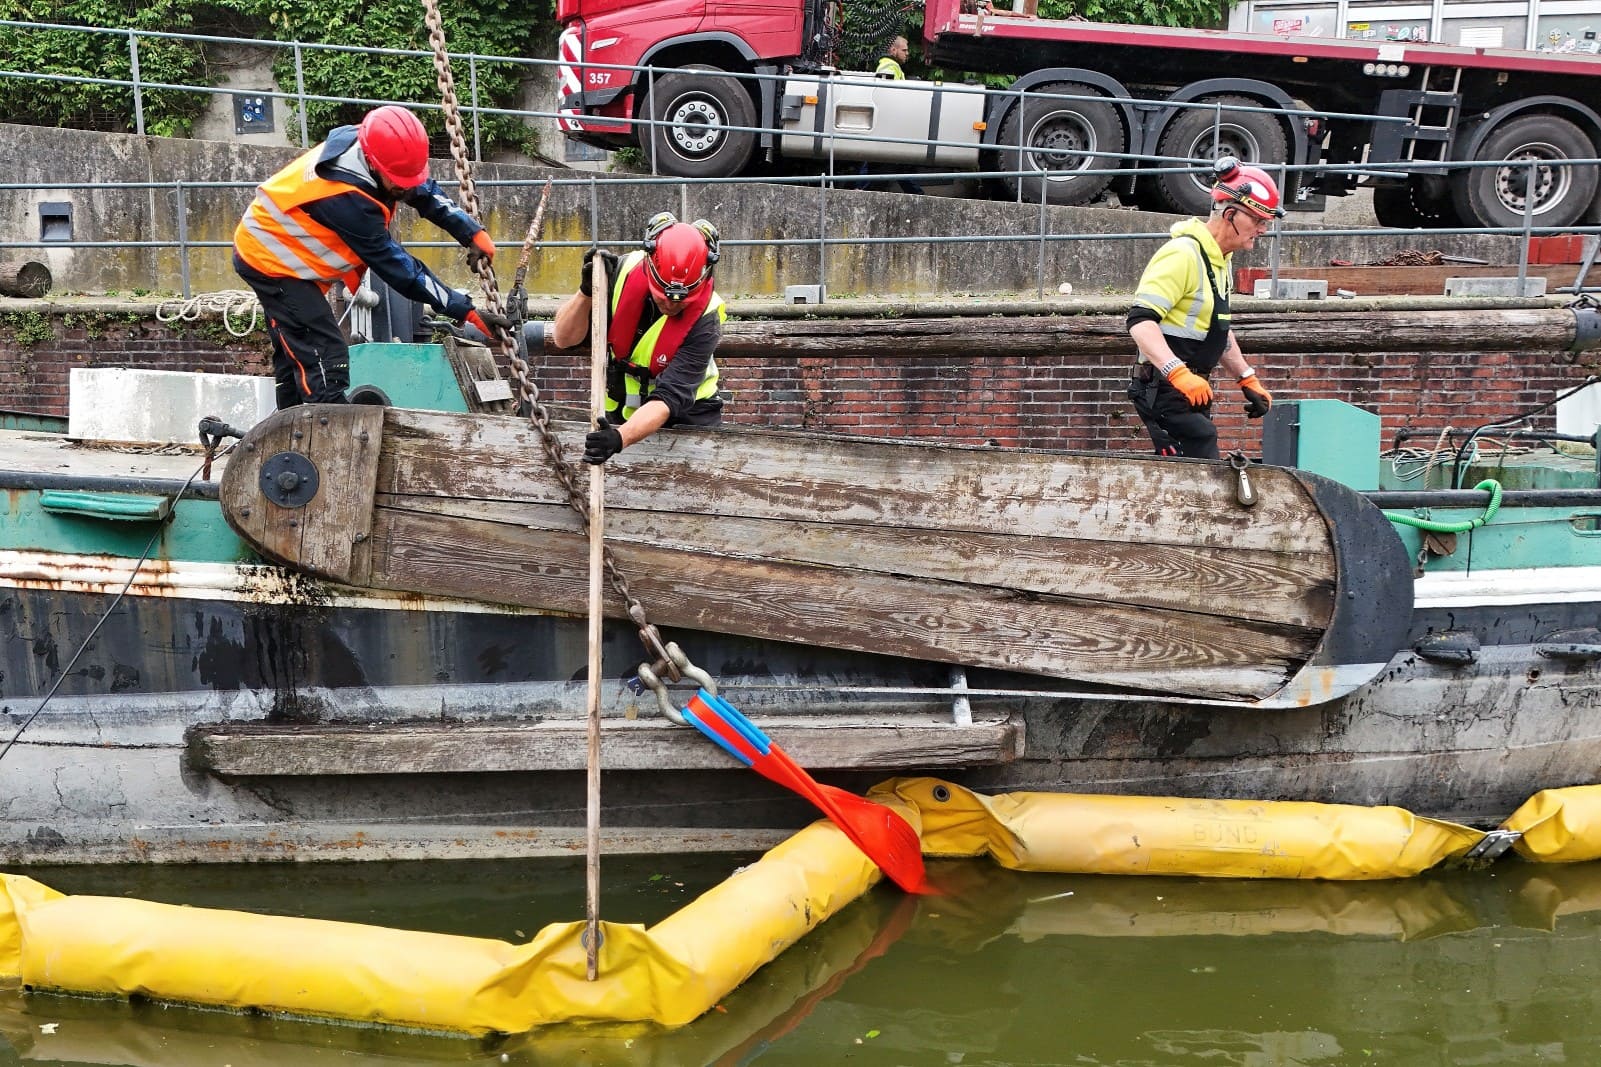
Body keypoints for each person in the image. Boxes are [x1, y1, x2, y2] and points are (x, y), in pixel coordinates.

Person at [233, 104, 509, 409]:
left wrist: (470, 231)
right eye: (399, 180)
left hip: (290, 256)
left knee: (295, 353)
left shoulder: (374, 148)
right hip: (270, 261)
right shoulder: (346, 199)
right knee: (324, 353)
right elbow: (400, 269)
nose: (406, 187)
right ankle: (327, 432)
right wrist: (464, 309)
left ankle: (285, 435)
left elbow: (420, 188)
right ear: (374, 164)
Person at [1124, 157, 1281, 459]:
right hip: (1163, 390)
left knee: (1193, 470)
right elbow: (1140, 322)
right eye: (1258, 220)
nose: (1262, 229)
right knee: (1200, 468)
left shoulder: (1218, 259)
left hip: (1186, 390)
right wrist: (1179, 374)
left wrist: (1246, 378)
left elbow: (1217, 329)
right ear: (1231, 214)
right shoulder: (1182, 254)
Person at [550, 212, 727, 465]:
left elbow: (670, 397)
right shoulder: (619, 273)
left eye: (681, 301)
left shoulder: (706, 319)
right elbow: (563, 339)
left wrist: (620, 438)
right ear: (650, 267)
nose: (671, 304)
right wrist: (586, 293)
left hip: (689, 421)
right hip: (619, 415)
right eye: (663, 295)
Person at [853, 37, 924, 194]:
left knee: (894, 162)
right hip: (890, 125)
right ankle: (860, 188)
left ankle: (860, 188)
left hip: (889, 125)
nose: (907, 53)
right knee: (886, 161)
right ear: (893, 50)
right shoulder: (890, 68)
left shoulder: (892, 67)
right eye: (904, 50)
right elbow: (890, 96)